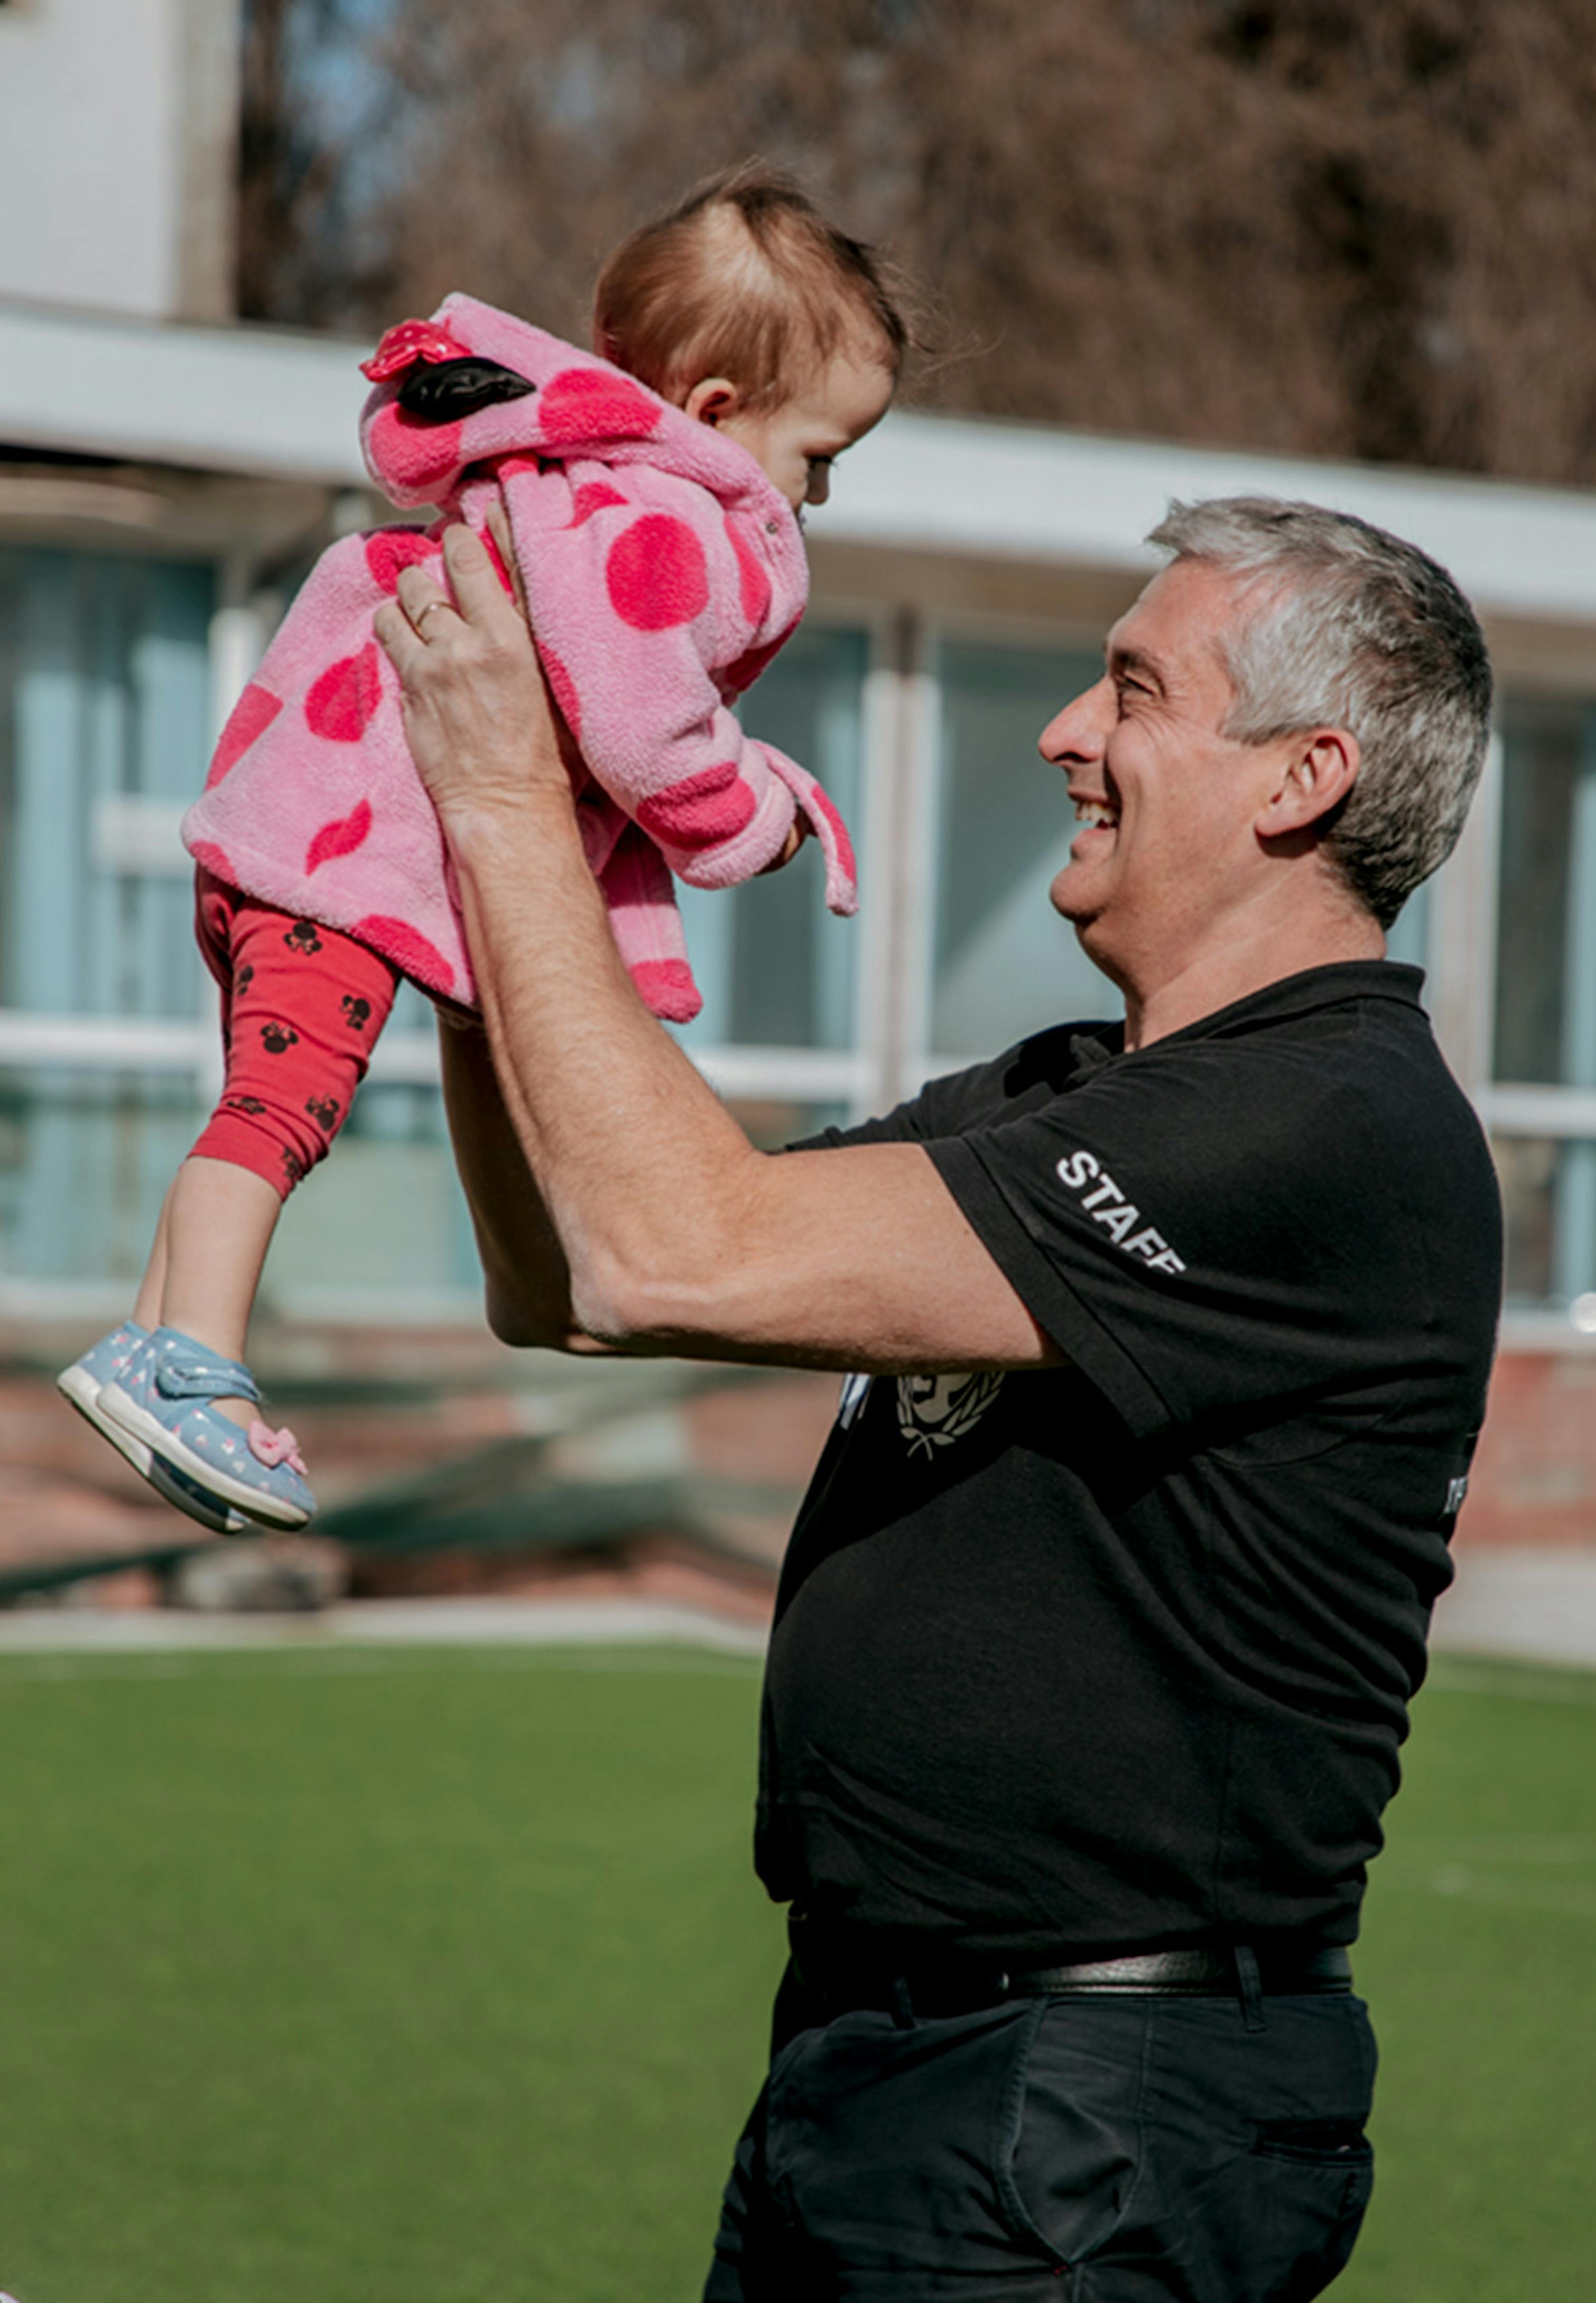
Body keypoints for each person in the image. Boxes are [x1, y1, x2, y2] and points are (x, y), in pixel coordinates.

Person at [372, 489, 1504, 2301]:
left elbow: (680, 1246)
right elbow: (577, 1281)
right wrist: (471, 926)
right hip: (877, 2059)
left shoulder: (1329, 1125)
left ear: (1301, 780)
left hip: (1090, 2110)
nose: (1068, 732)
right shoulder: (1065, 1087)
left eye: (1134, 690)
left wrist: (509, 805)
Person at [52, 164, 901, 1537]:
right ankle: (188, 1364)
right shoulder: (656, 518)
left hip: (299, 824)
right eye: (820, 461)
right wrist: (754, 817)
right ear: (717, 415)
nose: (818, 499)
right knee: (280, 1113)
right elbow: (644, 724)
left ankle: (155, 1337)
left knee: (263, 1096)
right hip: (349, 842)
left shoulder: (554, 481)